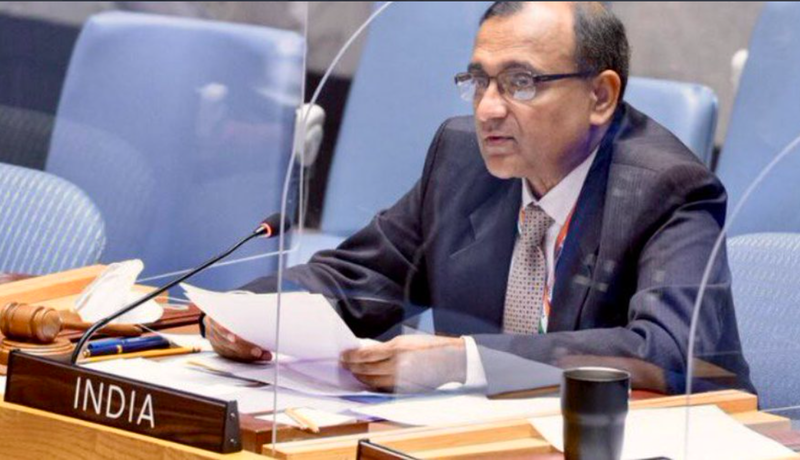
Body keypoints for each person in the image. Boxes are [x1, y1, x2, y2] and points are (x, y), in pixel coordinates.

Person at [205, 1, 753, 395]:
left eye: (520, 83)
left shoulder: (669, 188)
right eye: (479, 81)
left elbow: (674, 352)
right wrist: (248, 312)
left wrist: (465, 360)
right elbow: (360, 277)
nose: (488, 109)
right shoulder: (461, 157)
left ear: (600, 96)